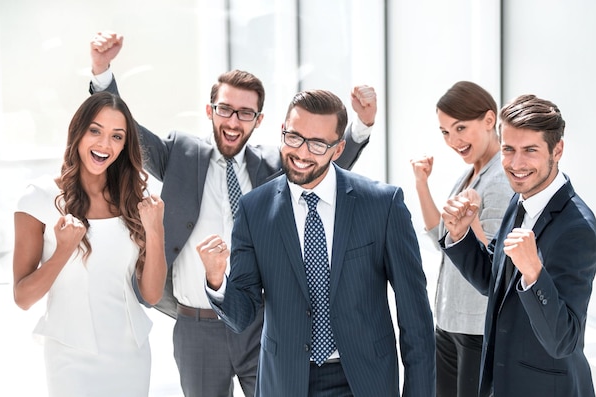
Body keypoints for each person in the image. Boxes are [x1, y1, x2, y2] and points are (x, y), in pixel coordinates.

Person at [88, 30, 377, 397]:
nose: (233, 120)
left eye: (245, 113)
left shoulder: (274, 165)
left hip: (261, 325)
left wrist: (361, 126)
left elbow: (323, 164)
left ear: (258, 120)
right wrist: (102, 74)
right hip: (197, 326)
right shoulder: (181, 154)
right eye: (225, 109)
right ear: (210, 111)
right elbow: (128, 133)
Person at [198, 89, 435, 396]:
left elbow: (415, 317)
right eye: (293, 136)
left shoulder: (382, 205)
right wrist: (218, 280)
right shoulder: (254, 209)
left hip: (364, 381)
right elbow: (242, 316)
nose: (301, 152)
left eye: (318, 144)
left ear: (338, 149)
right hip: (285, 382)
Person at [440, 94, 596, 397]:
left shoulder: (578, 228)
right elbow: (493, 281)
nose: (515, 163)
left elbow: (564, 340)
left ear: (557, 149)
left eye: (530, 150)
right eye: (508, 149)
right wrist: (461, 236)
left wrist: (534, 275)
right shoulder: (520, 200)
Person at [12, 92, 167, 397]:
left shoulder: (134, 198)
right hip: (70, 354)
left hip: (130, 354)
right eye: (95, 130)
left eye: (116, 136)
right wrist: (63, 251)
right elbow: (23, 297)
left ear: (125, 146)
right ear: (78, 132)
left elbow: (151, 294)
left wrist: (155, 230)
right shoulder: (38, 198)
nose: (104, 144)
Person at [410, 81, 513, 396]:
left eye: (460, 128)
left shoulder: (500, 180)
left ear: (488, 120)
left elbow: (496, 261)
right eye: (444, 132)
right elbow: (442, 238)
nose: (452, 140)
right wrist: (421, 184)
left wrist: (471, 224)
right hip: (449, 321)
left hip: (476, 329)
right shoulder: (468, 175)